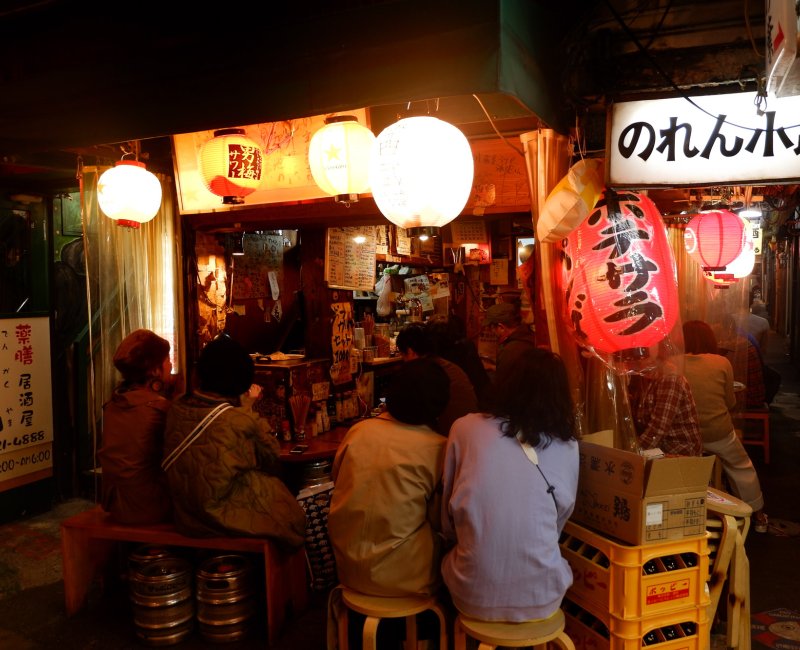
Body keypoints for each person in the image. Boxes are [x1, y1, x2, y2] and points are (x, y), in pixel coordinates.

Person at [440, 348, 579, 622]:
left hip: (471, 595)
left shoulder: (465, 428)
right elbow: (560, 517)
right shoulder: (568, 445)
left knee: (446, 557)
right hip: (543, 598)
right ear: (560, 395)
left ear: (504, 383)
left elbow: (448, 516)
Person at [162, 334, 306, 548]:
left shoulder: (177, 408)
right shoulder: (240, 419)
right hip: (222, 517)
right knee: (296, 516)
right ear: (242, 379)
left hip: (186, 517)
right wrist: (247, 407)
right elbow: (271, 456)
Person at [327, 357, 450, 597]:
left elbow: (337, 480)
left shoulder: (358, 432)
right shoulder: (439, 448)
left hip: (347, 569)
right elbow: (442, 520)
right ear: (440, 405)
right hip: (406, 578)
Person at [682, 320, 768, 533]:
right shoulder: (722, 363)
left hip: (685, 436)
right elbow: (730, 403)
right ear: (710, 339)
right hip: (718, 433)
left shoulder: (673, 363)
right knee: (741, 466)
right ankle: (758, 516)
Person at [98, 329, 179, 525]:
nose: (170, 365)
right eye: (167, 360)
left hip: (115, 505)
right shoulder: (158, 410)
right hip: (150, 508)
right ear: (154, 370)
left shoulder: (114, 404)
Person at [395, 323, 478, 436]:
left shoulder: (423, 373)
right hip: (470, 432)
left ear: (410, 352)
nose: (403, 360)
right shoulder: (448, 366)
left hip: (449, 437)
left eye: (402, 354)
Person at [627, 349, 703, 457]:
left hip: (680, 451)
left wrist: (632, 452)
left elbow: (659, 427)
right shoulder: (644, 376)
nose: (635, 362)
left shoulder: (670, 377)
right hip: (658, 448)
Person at [426, 315, 491, 410]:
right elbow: (481, 380)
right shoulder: (466, 346)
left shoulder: (434, 357)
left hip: (457, 409)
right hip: (478, 404)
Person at [719, 314, 766, 409]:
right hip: (756, 393)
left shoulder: (734, 346)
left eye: (718, 330)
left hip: (749, 397)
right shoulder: (741, 339)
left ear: (727, 329)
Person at [482, 301, 536, 378]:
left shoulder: (510, 351)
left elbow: (503, 384)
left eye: (491, 327)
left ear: (501, 327)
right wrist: (492, 367)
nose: (491, 331)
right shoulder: (528, 335)